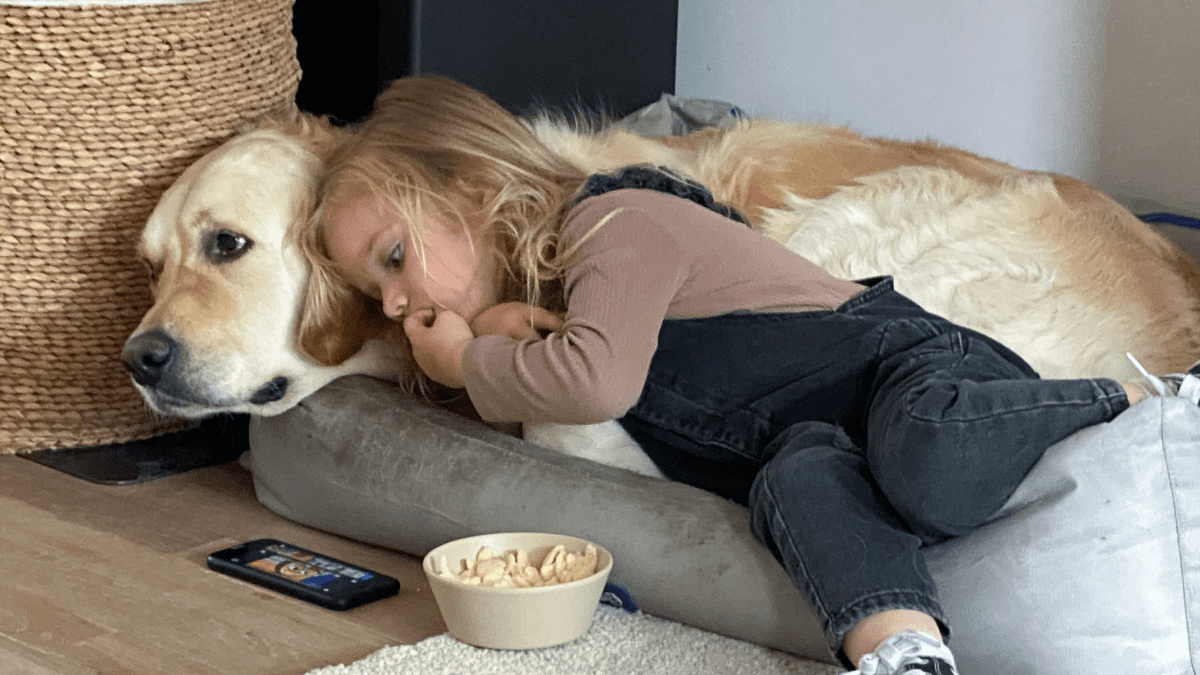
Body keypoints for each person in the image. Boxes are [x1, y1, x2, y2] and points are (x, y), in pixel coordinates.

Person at [303, 75, 1198, 675]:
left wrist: (469, 356)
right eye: (370, 286)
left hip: (904, 370)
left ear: (475, 189)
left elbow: (600, 382)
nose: (390, 303)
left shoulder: (614, 223)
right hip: (813, 436)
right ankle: (906, 654)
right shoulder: (553, 309)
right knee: (799, 487)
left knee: (925, 455)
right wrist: (497, 338)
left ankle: (1133, 399)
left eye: (393, 257)